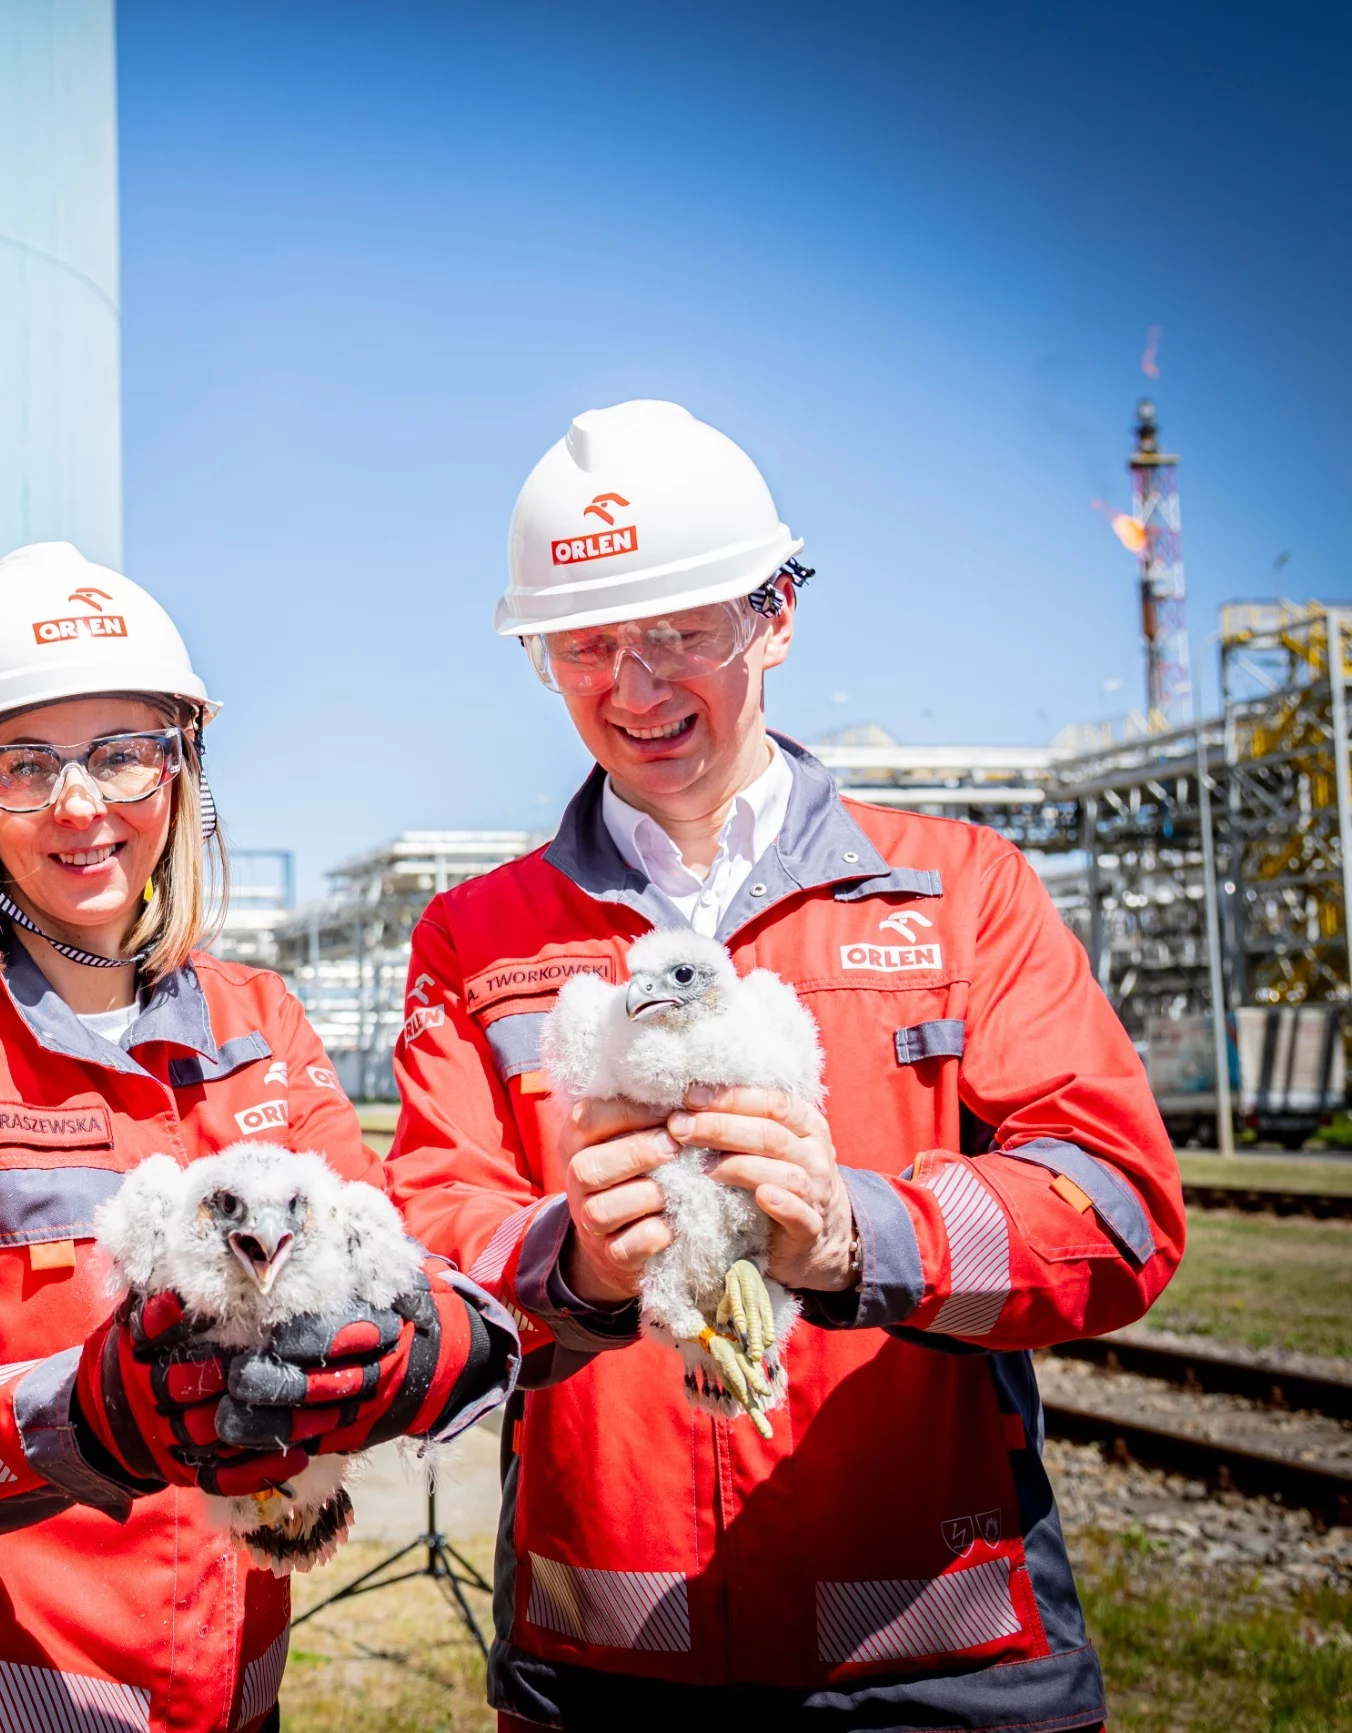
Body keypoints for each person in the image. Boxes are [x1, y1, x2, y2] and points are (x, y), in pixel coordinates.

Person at [384, 399, 1186, 1730]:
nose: (634, 688)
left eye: (683, 633)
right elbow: (425, 1244)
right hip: (609, 1666)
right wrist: (571, 1264)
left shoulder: (958, 895)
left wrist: (862, 1235)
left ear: (778, 616)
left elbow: (1117, 1211)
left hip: (936, 1668)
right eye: (586, 643)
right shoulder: (476, 940)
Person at [0, 543, 520, 1733]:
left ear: (182, 773)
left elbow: (398, 1266)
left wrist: (417, 1351)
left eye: (124, 753)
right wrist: (85, 1413)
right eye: (22, 763)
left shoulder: (257, 1022)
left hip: (226, 1698)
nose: (80, 805)